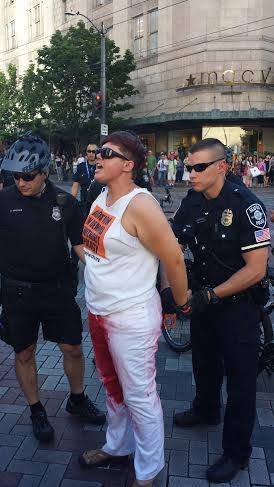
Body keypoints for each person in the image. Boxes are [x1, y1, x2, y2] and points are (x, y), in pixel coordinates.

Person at [78, 131, 188, 487]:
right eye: (98, 151)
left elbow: (172, 256)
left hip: (130, 317)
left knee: (139, 395)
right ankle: (117, 445)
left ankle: (149, 470)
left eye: (107, 153)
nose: (98, 156)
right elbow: (96, 252)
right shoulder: (101, 196)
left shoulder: (140, 205)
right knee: (112, 386)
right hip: (98, 310)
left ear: (128, 165)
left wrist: (181, 301)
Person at [171, 138, 270, 483]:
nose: (191, 173)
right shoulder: (193, 200)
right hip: (203, 301)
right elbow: (174, 237)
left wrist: (212, 296)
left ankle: (236, 453)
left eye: (199, 167)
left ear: (222, 167)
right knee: (203, 361)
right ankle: (206, 409)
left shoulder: (246, 205)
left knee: (241, 380)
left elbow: (256, 269)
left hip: (237, 307)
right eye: (188, 167)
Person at [0, 132, 105, 442]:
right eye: (15, 175)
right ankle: (36, 410)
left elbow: (80, 246)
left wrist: (110, 273)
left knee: (72, 347)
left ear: (44, 172)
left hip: (57, 289)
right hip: (17, 292)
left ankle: (77, 398)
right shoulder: (3, 201)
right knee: (24, 353)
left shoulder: (65, 202)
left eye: (28, 175)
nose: (21, 181)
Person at [71, 144, 97, 212]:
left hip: (98, 204)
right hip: (84, 203)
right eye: (89, 151)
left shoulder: (101, 167)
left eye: (94, 151)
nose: (91, 153)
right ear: (86, 152)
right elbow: (75, 185)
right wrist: (71, 202)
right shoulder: (80, 167)